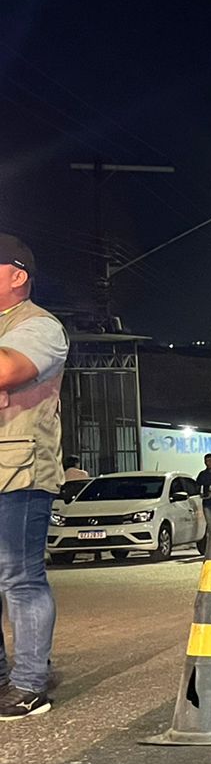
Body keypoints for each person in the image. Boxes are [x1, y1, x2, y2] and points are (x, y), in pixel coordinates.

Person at [0, 235, 69, 720]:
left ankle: (28, 684)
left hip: (19, 471)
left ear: (16, 275)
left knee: (20, 579)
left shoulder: (40, 326)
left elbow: (8, 369)